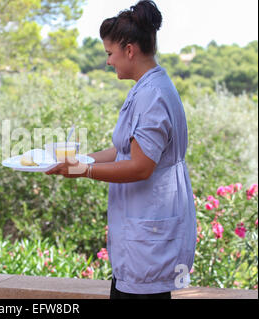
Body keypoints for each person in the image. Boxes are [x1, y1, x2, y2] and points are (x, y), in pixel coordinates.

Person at [46, 0, 197, 299]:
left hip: (149, 238)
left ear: (129, 50)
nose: (108, 61)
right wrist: (79, 159)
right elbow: (122, 151)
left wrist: (82, 171)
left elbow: (140, 167)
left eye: (110, 53)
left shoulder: (152, 96)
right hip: (143, 235)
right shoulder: (147, 88)